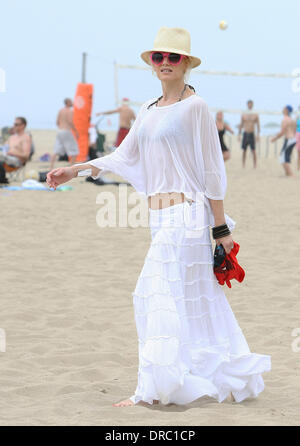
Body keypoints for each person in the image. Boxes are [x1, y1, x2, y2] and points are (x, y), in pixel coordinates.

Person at [46, 27, 271, 407]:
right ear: (152, 63)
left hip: (188, 215)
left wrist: (220, 230)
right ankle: (204, 372)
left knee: (152, 292)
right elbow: (122, 155)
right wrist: (78, 169)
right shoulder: (148, 110)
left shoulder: (196, 107)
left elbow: (213, 171)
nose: (165, 63)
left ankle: (152, 390)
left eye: (174, 57)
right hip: (159, 218)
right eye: (159, 57)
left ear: (186, 64)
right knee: (187, 297)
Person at [0, 117, 31, 184]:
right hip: (6, 159)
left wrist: (13, 153)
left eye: (16, 124)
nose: (14, 126)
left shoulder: (25, 138)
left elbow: (26, 156)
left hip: (17, 162)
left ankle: (3, 180)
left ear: (23, 125)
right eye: (14, 124)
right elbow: (4, 148)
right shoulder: (12, 137)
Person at [50, 98, 79, 170]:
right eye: (71, 101)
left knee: (56, 150)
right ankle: (72, 168)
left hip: (60, 131)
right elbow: (70, 122)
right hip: (66, 131)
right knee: (74, 150)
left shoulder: (61, 110)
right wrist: (76, 131)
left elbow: (57, 121)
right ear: (68, 102)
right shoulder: (70, 111)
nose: (72, 102)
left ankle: (51, 167)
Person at [271, 105, 297, 177]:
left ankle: (291, 174)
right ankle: (287, 173)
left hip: (289, 139)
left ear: (287, 110)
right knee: (285, 156)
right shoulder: (292, 120)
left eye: (284, 108)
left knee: (283, 157)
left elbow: (282, 132)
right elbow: (293, 131)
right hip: (293, 139)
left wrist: (274, 138)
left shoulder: (285, 119)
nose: (282, 109)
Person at [238, 100, 260, 168]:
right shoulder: (244, 114)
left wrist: (258, 135)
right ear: (247, 105)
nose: (250, 105)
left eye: (251, 104)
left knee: (253, 150)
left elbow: (258, 125)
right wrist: (239, 134)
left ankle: (255, 165)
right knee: (244, 150)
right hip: (245, 133)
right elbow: (241, 124)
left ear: (252, 105)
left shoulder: (255, 114)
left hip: (252, 133)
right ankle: (243, 165)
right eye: (249, 104)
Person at [295, 105, 300, 171]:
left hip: (298, 133)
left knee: (298, 152)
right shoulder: (297, 115)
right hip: (298, 133)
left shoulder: (297, 116)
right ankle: (298, 167)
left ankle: (298, 167)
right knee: (298, 152)